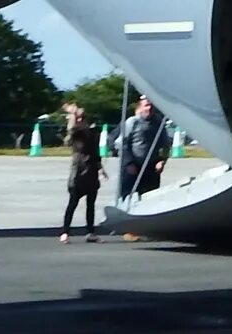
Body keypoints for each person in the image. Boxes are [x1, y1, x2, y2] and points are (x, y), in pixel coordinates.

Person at [112, 95, 169, 235]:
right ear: (140, 106)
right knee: (127, 196)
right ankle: (124, 226)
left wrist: (162, 160)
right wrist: (129, 162)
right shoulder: (132, 122)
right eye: (146, 105)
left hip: (151, 166)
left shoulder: (158, 123)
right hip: (133, 165)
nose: (149, 108)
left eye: (151, 105)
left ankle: (146, 228)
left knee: (150, 197)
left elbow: (166, 144)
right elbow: (121, 143)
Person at [57, 102, 102, 242]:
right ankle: (65, 231)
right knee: (73, 203)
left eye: (83, 118)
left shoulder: (93, 133)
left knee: (91, 204)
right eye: (79, 118)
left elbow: (96, 152)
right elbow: (70, 133)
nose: (81, 120)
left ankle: (90, 232)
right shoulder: (76, 134)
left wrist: (100, 168)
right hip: (78, 172)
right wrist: (72, 115)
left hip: (92, 172)